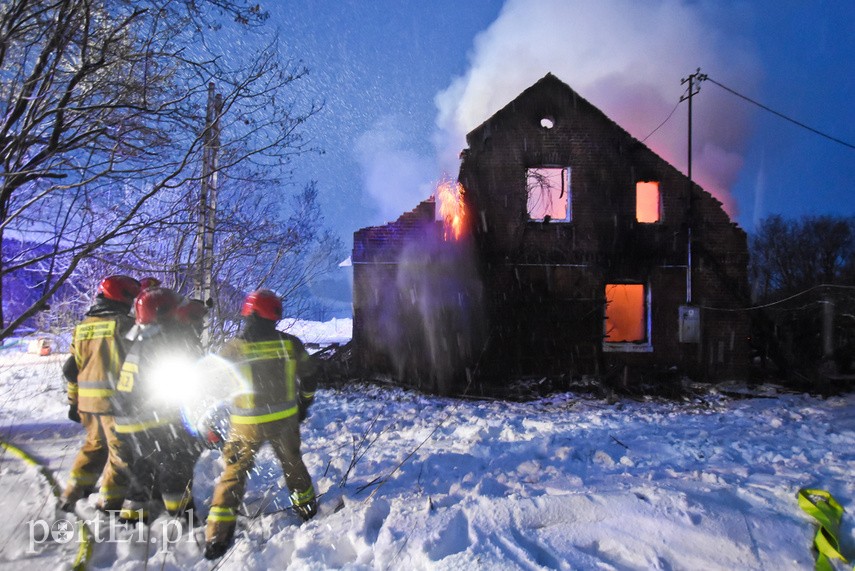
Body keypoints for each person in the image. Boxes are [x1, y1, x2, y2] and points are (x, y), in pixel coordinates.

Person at [204, 289, 318, 560]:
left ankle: (217, 537)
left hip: (246, 425)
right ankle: (307, 510)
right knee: (293, 465)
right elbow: (311, 377)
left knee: (233, 474)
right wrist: (304, 404)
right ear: (274, 315)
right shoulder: (290, 344)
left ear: (248, 312)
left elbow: (213, 387)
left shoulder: (231, 349)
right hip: (284, 422)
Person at [112, 287, 203, 523]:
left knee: (143, 467)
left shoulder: (139, 340)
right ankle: (183, 515)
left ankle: (132, 516)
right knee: (176, 464)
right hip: (154, 419)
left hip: (127, 422)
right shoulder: (162, 342)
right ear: (163, 313)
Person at [61, 275, 141, 512]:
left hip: (87, 404)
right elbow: (140, 362)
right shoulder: (125, 326)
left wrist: (73, 401)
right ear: (123, 297)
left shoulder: (82, 327)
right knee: (121, 454)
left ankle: (73, 492)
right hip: (114, 404)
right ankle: (108, 503)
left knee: (94, 447)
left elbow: (71, 369)